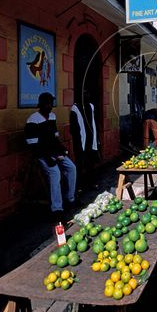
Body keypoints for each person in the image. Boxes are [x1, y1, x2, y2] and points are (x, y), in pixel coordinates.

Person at [24, 92, 77, 221]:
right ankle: (57, 208)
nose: (49, 106)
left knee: (71, 168)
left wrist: (63, 151)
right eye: (47, 103)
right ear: (40, 104)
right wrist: (48, 159)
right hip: (42, 155)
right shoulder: (33, 120)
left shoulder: (52, 116)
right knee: (55, 173)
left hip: (54, 152)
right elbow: (33, 145)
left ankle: (70, 199)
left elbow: (55, 138)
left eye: (51, 103)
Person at [70, 90, 99, 187]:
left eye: (87, 93)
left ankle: (91, 182)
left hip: (91, 140)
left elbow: (95, 122)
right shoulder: (75, 108)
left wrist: (97, 138)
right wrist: (77, 139)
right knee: (80, 164)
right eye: (84, 94)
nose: (87, 95)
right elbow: (73, 127)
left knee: (90, 163)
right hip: (80, 141)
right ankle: (79, 185)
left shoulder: (91, 106)